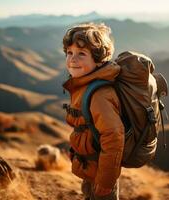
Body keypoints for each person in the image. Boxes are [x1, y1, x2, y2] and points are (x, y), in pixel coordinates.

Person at [62, 23, 124, 200]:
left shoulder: (99, 94)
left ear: (98, 59)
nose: (73, 59)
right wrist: (75, 150)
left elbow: (114, 136)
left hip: (102, 172)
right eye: (69, 53)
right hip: (90, 166)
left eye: (81, 54)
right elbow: (84, 126)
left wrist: (106, 182)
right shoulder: (83, 85)